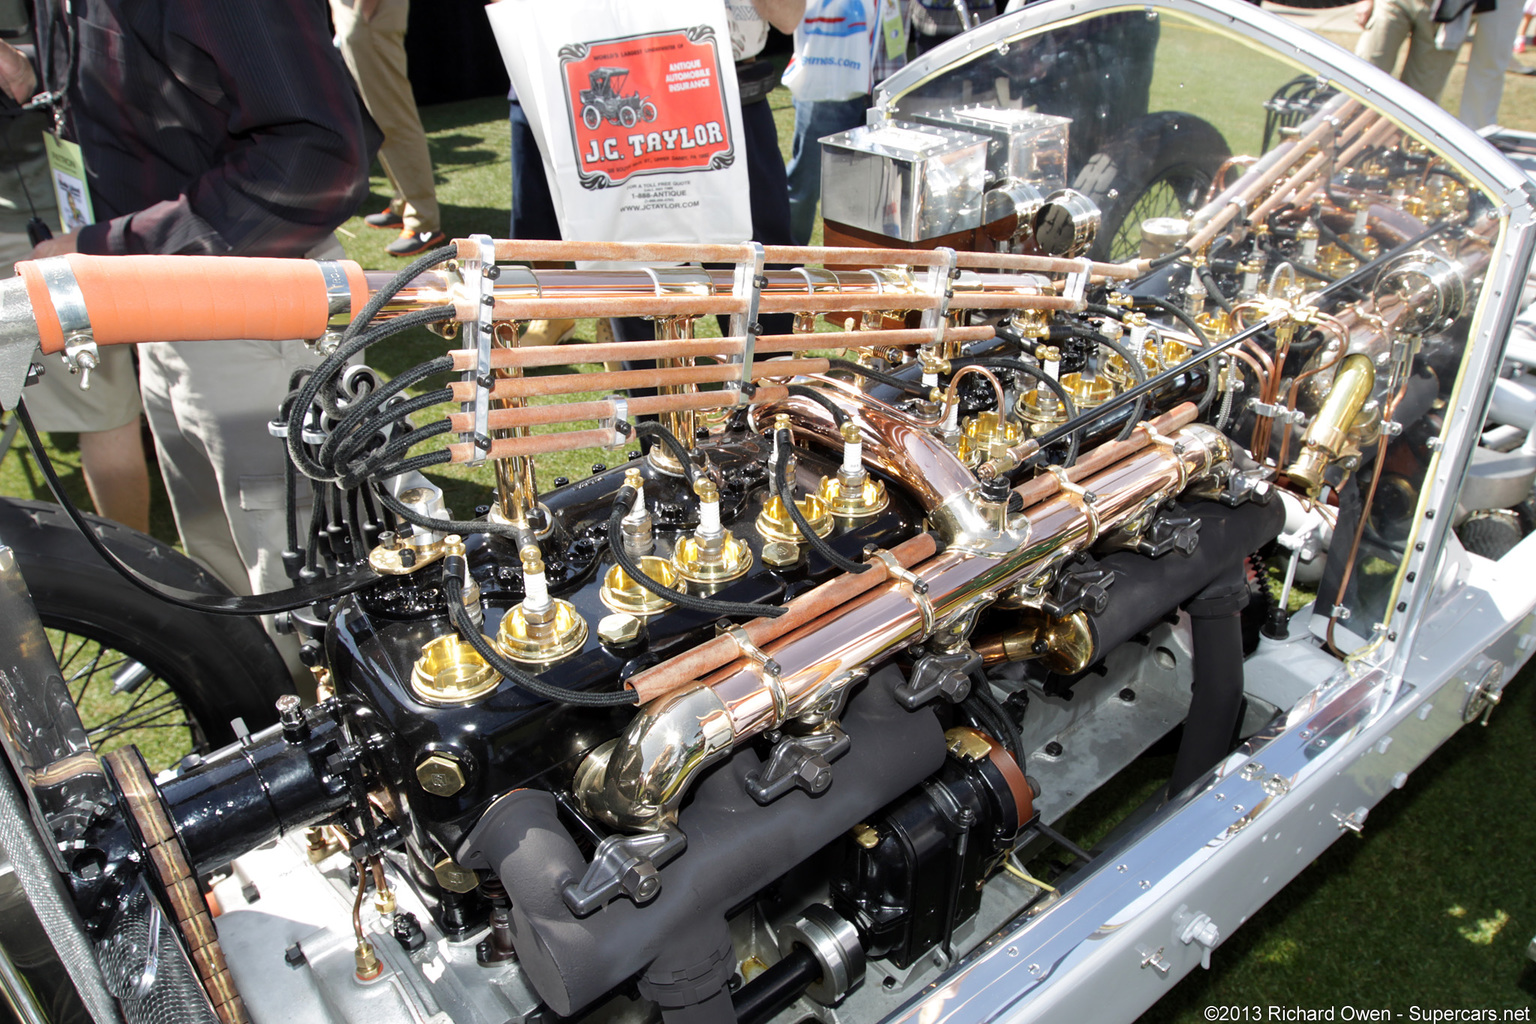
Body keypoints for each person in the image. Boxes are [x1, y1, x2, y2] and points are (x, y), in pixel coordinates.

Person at [2, 0, 375, 677]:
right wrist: (33, 75)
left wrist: (108, 249)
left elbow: (320, 159)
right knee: (227, 574)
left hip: (254, 301)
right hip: (166, 299)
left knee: (318, 598)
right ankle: (260, 714)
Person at [783, 0, 907, 246]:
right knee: (805, 186)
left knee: (880, 189)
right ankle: (783, 266)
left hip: (890, 77)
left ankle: (860, 267)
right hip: (829, 78)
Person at [331, 0, 447, 257]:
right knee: (379, 116)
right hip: (355, 13)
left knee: (393, 116)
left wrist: (364, 13)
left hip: (368, 13)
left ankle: (423, 221)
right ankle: (404, 202)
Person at [1352, 0, 1475, 103]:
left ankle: (1396, 133)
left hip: (1445, 12)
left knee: (1420, 100)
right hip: (1393, 3)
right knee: (1365, 75)